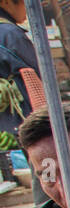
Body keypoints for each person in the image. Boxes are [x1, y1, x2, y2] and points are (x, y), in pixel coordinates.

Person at [0, 0, 38, 142]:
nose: (27, 9)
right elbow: (36, 77)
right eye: (24, 3)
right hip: (20, 122)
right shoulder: (10, 34)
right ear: (6, 2)